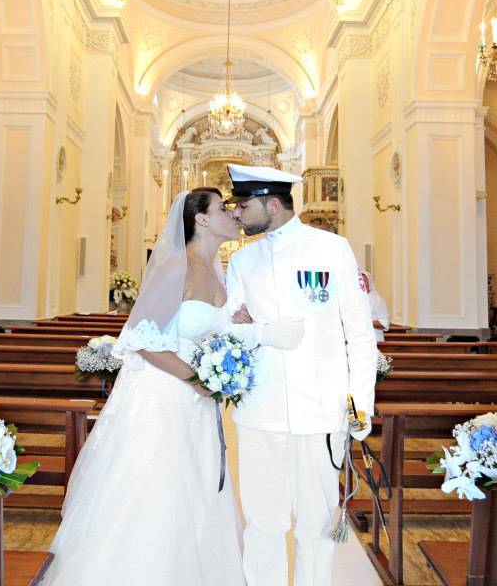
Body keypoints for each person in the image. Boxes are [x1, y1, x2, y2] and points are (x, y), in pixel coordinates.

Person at [40, 188, 303, 586]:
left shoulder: (218, 271)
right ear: (199, 220)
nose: (232, 214)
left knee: (196, 495)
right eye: (221, 208)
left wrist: (241, 326)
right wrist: (198, 379)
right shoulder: (175, 267)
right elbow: (141, 339)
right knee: (157, 494)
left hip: (198, 407)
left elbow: (212, 330)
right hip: (162, 401)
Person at [225, 163, 379, 586]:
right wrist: (256, 329)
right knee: (262, 524)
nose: (237, 213)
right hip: (260, 411)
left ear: (272, 203)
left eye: (244, 204)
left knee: (316, 525)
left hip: (322, 411)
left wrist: (359, 406)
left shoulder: (331, 249)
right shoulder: (242, 260)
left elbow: (360, 336)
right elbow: (231, 329)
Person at [360, 270, 391, 335]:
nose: (361, 283)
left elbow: (385, 323)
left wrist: (365, 322)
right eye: (360, 281)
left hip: (374, 338)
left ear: (369, 282)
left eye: (364, 281)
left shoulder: (378, 300)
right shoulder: (355, 299)